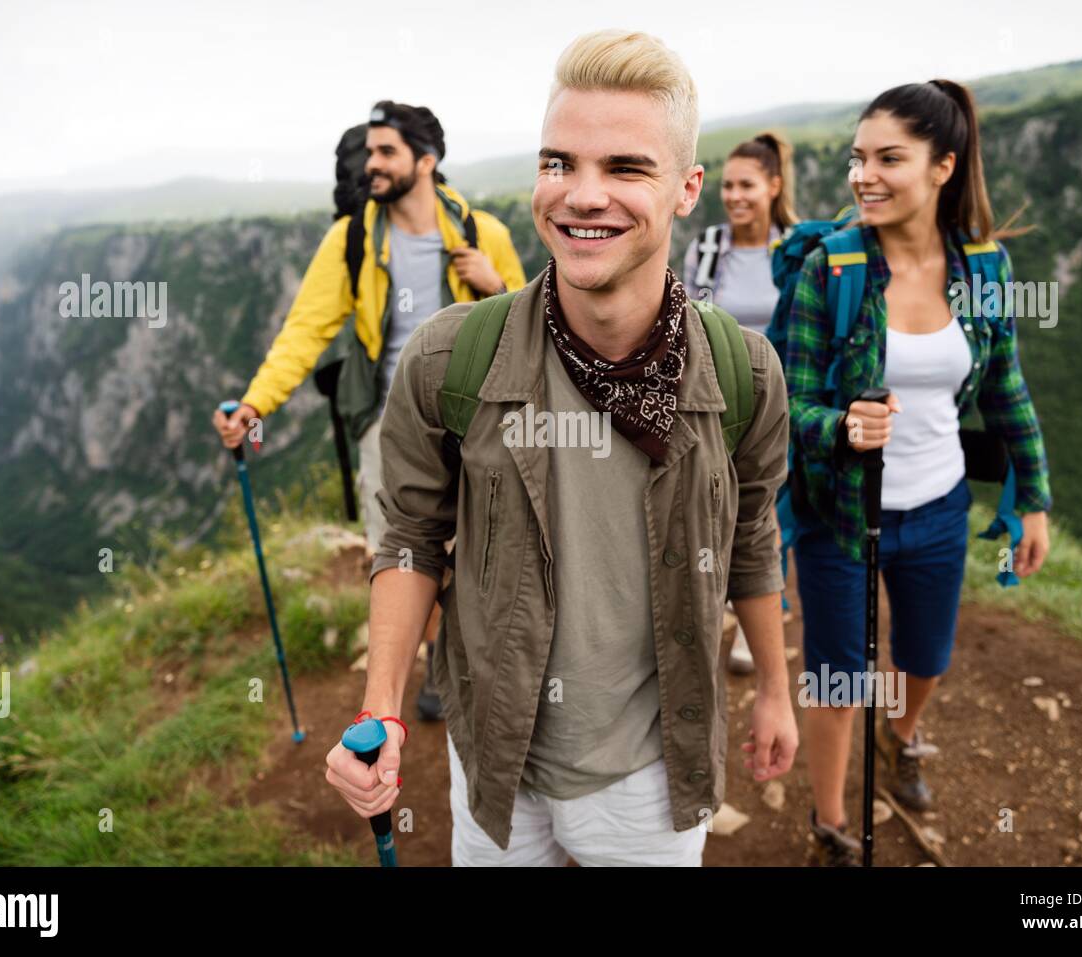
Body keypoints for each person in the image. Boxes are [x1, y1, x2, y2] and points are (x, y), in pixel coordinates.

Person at [325, 30, 798, 866]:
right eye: (558, 163)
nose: (582, 195)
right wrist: (385, 711)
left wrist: (774, 689)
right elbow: (410, 536)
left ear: (688, 188)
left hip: (653, 776)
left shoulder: (744, 374)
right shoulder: (449, 361)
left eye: (625, 168)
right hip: (496, 764)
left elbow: (751, 535)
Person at [785, 79, 1052, 865]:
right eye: (857, 158)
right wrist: (840, 426)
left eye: (887, 158)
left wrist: (1030, 496)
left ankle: (900, 734)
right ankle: (832, 823)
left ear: (943, 165)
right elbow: (789, 408)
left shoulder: (985, 267)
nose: (863, 175)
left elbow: (1005, 385)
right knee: (839, 680)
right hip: (839, 518)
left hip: (936, 509)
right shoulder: (830, 272)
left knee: (926, 658)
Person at [212, 101, 527, 721]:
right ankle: (438, 663)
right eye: (370, 152)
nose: (371, 164)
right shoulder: (352, 238)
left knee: (485, 542)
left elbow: (527, 328)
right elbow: (305, 330)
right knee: (406, 551)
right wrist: (256, 403)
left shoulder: (482, 234)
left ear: (426, 161)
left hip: (474, 419)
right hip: (389, 424)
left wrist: (494, 283)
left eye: (386, 152)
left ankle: (483, 656)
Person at [683, 133, 799, 675]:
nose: (734, 195)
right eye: (727, 185)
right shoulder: (706, 247)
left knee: (771, 511)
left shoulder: (799, 250)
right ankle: (718, 606)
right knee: (720, 507)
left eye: (747, 185)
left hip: (786, 402)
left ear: (774, 187)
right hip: (722, 402)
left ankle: (762, 622)